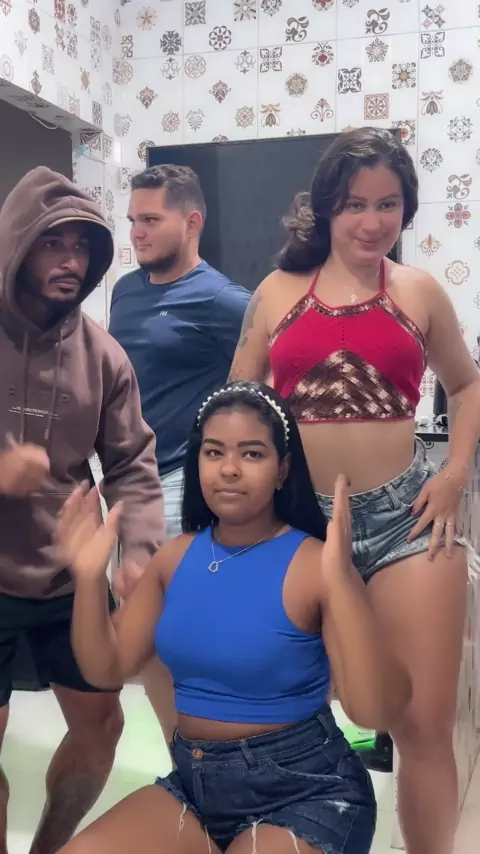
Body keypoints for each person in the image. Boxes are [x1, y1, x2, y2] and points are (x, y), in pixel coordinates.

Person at [227, 128, 480, 854]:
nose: (373, 222)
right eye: (355, 205)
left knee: (422, 725)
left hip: (407, 523)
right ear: (327, 207)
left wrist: (455, 475)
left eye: (388, 204)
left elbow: (467, 386)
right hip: (299, 527)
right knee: (286, 714)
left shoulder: (419, 292)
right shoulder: (276, 294)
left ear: (407, 209)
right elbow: (237, 404)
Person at [55, 381, 411, 854]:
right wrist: (86, 578)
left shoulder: (315, 563)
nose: (228, 469)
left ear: (283, 470)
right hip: (195, 787)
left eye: (252, 454)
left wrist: (343, 582)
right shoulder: (174, 558)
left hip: (308, 791)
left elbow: (376, 711)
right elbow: (106, 667)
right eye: (214, 452)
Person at [0, 166, 164, 854]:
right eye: (53, 244)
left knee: (102, 729)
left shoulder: (104, 356)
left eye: (82, 248)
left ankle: (48, 848)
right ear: (18, 244)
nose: (70, 261)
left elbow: (133, 465)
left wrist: (140, 556)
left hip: (68, 580)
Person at [108, 164, 250, 722]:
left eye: (150, 220)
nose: (137, 233)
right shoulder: (125, 291)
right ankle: (183, 750)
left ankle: (208, 746)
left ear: (191, 222)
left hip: (179, 481)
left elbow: (265, 382)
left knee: (178, 632)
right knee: (147, 638)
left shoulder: (223, 299)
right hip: (126, 479)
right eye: (132, 221)